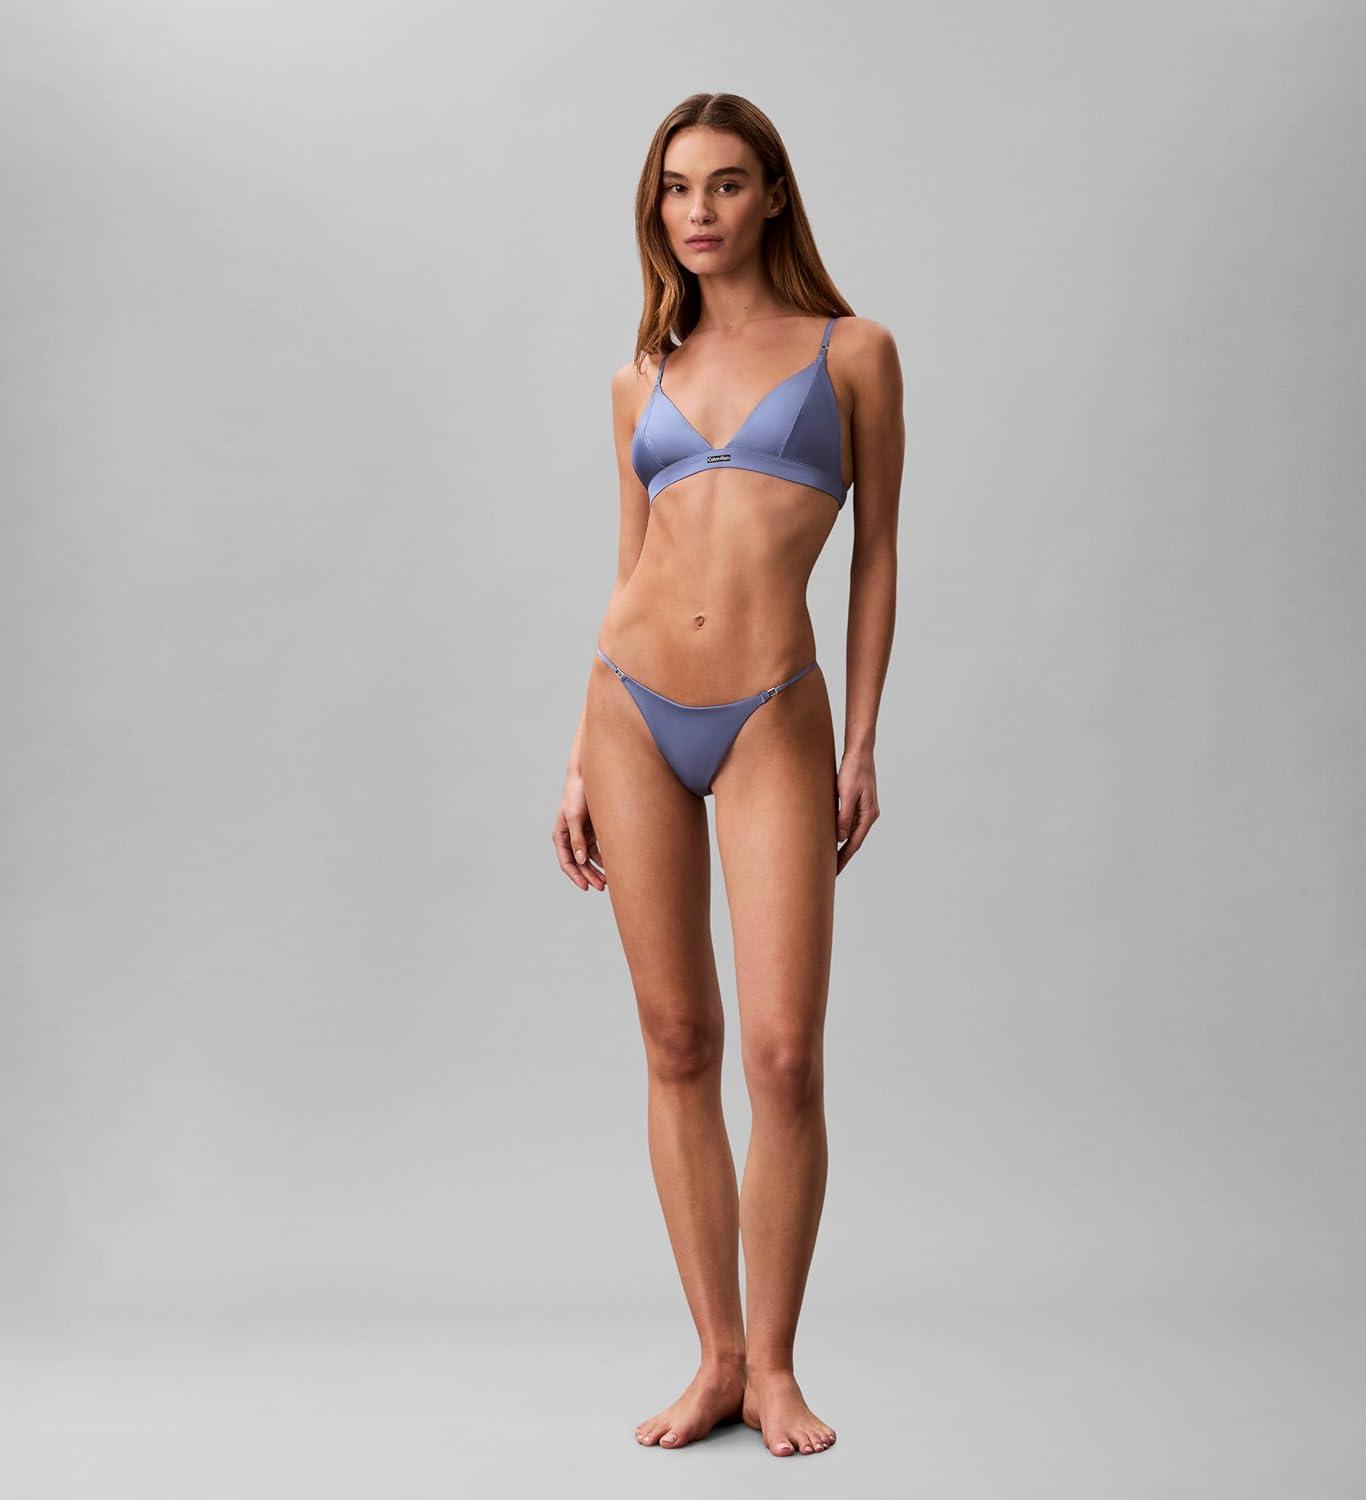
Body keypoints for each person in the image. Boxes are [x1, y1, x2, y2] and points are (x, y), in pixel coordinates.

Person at [552, 91, 903, 1459]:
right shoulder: (640, 374)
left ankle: (778, 1369)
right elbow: (629, 563)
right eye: (676, 187)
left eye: (726, 183)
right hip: (630, 707)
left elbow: (877, 557)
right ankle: (715, 1361)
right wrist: (577, 754)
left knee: (783, 1055)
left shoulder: (852, 353)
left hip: (772, 713)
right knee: (677, 1042)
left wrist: (861, 738)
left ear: (773, 196)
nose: (698, 211)